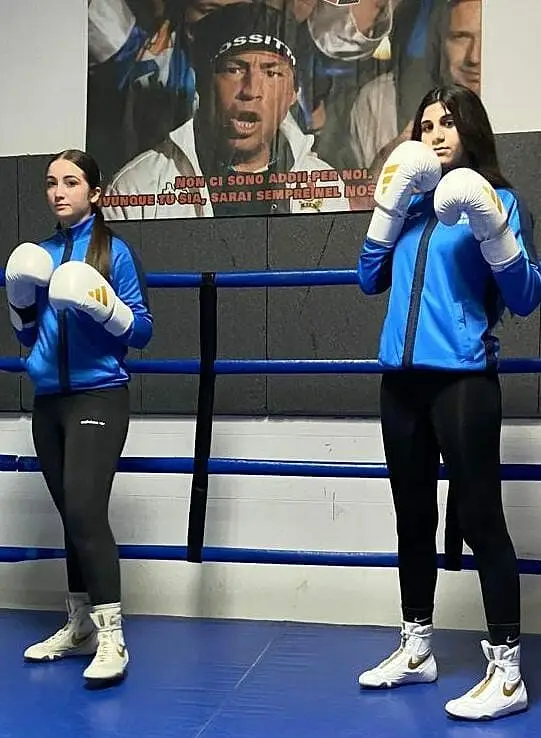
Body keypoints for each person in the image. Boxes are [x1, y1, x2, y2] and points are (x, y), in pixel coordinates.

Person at [356, 83, 541, 720]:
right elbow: (367, 278)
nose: (435, 134)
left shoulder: (500, 200)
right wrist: (387, 210)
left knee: (482, 519)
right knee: (412, 519)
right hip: (401, 383)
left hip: (463, 382)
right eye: (426, 124)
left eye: (448, 123)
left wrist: (492, 227)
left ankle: (508, 672)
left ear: (472, 131)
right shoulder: (410, 206)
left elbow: (525, 297)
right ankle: (416, 649)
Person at [4, 149, 153, 684]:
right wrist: (20, 303)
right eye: (51, 182)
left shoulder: (115, 252)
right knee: (71, 515)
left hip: (99, 397)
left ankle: (112, 636)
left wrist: (105, 307)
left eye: (70, 182)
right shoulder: (38, 255)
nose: (58, 191)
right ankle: (80, 627)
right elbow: (28, 336)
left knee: (87, 511)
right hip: (50, 401)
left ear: (95, 192)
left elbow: (142, 331)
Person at [101, 1, 350, 219]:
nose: (251, 90)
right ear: (202, 82)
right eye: (234, 70)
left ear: (293, 93)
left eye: (271, 73)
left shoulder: (324, 187)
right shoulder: (136, 188)